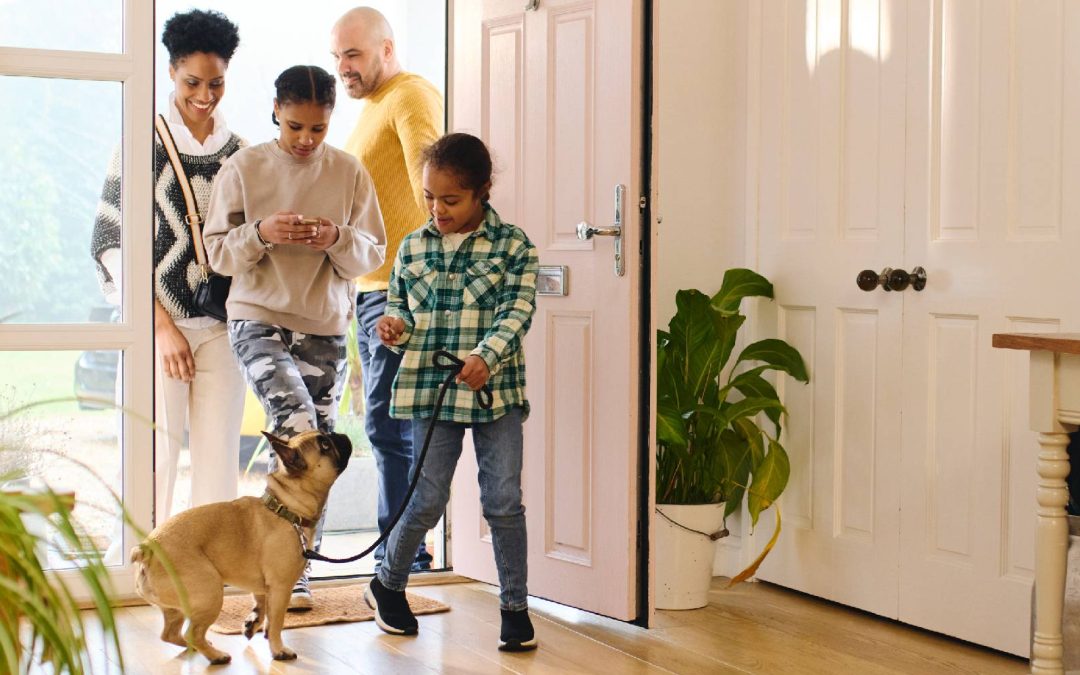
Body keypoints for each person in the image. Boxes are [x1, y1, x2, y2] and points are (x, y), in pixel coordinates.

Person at [202, 65, 387, 610]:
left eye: (318, 129)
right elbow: (216, 252)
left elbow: (372, 253)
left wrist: (334, 237)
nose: (307, 140)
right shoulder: (245, 167)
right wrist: (260, 233)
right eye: (296, 127)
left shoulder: (350, 173)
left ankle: (290, 570)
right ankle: (277, 567)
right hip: (256, 315)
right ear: (276, 113)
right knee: (300, 430)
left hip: (325, 325)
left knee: (318, 451)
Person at [368, 133, 539, 652]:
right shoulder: (414, 246)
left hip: (494, 390)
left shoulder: (514, 246)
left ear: (481, 192)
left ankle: (515, 607)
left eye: (450, 200)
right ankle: (388, 583)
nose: (436, 210)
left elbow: (518, 310)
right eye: (429, 198)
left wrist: (486, 356)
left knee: (503, 500)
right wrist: (395, 325)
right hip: (429, 389)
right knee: (427, 496)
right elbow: (401, 306)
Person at [90, 9, 246, 529]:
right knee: (151, 462)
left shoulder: (242, 154)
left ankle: (213, 578)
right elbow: (110, 242)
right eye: (192, 82)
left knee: (218, 468)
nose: (205, 95)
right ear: (171, 72)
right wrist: (158, 326)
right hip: (156, 330)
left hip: (222, 331)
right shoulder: (140, 143)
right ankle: (141, 571)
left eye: (216, 83)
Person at [330, 6, 444, 570]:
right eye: (337, 57)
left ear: (387, 49)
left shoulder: (409, 95)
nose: (342, 67)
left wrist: (418, 282)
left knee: (390, 421)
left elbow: (435, 185)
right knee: (384, 421)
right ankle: (403, 550)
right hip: (372, 287)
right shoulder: (372, 107)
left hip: (401, 289)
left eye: (353, 54)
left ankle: (404, 554)